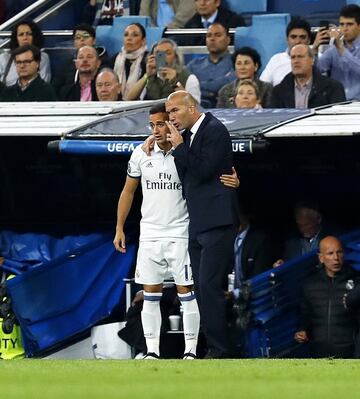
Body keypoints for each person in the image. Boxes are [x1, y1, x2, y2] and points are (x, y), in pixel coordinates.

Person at [113, 103, 200, 360]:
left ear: (172, 122)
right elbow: (128, 191)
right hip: (149, 233)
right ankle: (151, 351)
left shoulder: (186, 151)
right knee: (150, 295)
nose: (156, 130)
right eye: (152, 125)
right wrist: (119, 227)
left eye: (160, 123)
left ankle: (191, 352)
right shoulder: (141, 153)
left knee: (186, 292)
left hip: (180, 232)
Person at [165, 90, 239, 358]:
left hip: (217, 220)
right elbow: (188, 177)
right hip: (198, 221)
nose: (170, 117)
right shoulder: (187, 136)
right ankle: (213, 347)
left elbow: (204, 170)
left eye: (174, 111)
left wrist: (179, 148)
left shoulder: (214, 130)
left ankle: (221, 349)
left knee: (209, 286)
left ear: (191, 108)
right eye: (168, 112)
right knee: (201, 286)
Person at [294, 236, 359, 358]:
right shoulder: (310, 284)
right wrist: (302, 330)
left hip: (349, 354)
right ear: (321, 258)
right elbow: (305, 314)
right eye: (330, 253)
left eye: (339, 252)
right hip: (319, 355)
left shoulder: (356, 281)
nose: (336, 258)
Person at [125, 38, 200, 103]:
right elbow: (129, 99)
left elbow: (194, 106)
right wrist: (147, 75)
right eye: (158, 53)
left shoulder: (189, 78)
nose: (163, 57)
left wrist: (175, 82)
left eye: (167, 53)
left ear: (175, 57)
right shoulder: (149, 77)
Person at [270, 44, 346, 109]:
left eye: (300, 56)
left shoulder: (333, 88)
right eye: (293, 57)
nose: (296, 61)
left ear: (312, 60)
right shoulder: (279, 91)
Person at [312, 4, 360, 101]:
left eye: (349, 24)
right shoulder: (333, 49)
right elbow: (316, 72)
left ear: (359, 26)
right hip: (337, 103)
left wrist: (341, 49)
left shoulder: (338, 47)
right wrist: (314, 49)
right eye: (342, 24)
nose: (345, 29)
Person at [186, 22, 235, 108]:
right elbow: (184, 86)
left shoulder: (236, 63)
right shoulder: (194, 65)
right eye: (209, 36)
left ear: (228, 39)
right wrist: (221, 82)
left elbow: (230, 86)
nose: (212, 39)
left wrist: (196, 85)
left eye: (218, 35)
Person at [52, 23, 109, 97]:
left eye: (86, 36)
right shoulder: (66, 65)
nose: (82, 40)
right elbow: (54, 88)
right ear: (74, 43)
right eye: (78, 37)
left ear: (94, 40)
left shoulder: (106, 63)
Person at [273, 201, 330, 267]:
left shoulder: (333, 236)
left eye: (306, 225)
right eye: (299, 225)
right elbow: (287, 263)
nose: (302, 229)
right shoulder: (291, 242)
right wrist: (281, 265)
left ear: (318, 219)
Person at [260, 18, 311, 87]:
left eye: (302, 37)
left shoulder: (317, 58)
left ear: (309, 40)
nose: (298, 41)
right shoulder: (276, 59)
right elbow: (262, 88)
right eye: (293, 37)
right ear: (287, 40)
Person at [0, 19, 51, 86]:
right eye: (21, 35)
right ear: (16, 38)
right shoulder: (4, 57)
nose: (25, 38)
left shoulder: (43, 57)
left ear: (35, 37)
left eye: (29, 34)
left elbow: (43, 83)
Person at [113, 23, 148, 100]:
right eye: (126, 35)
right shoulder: (115, 59)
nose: (129, 38)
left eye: (135, 35)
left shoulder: (148, 60)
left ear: (143, 40)